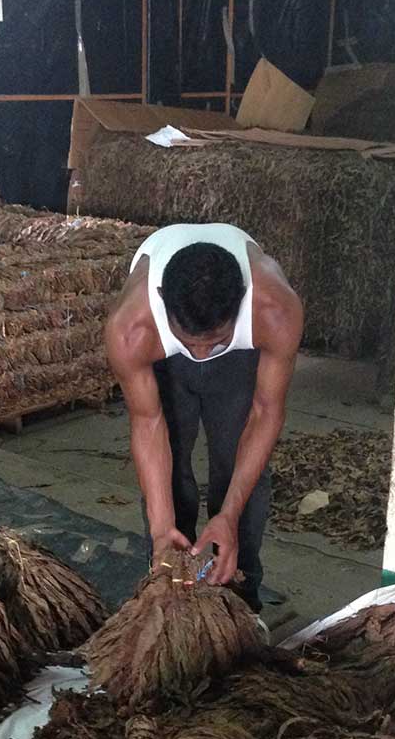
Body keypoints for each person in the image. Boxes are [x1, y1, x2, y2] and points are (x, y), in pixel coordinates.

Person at [105, 224, 303, 613]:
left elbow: (266, 413)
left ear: (242, 302)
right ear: (162, 301)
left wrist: (228, 515)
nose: (199, 354)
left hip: (239, 355)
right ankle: (169, 580)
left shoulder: (274, 310)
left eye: (212, 342)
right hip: (163, 354)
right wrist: (162, 528)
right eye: (192, 343)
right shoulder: (131, 328)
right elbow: (147, 423)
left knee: (237, 471)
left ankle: (241, 590)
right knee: (172, 472)